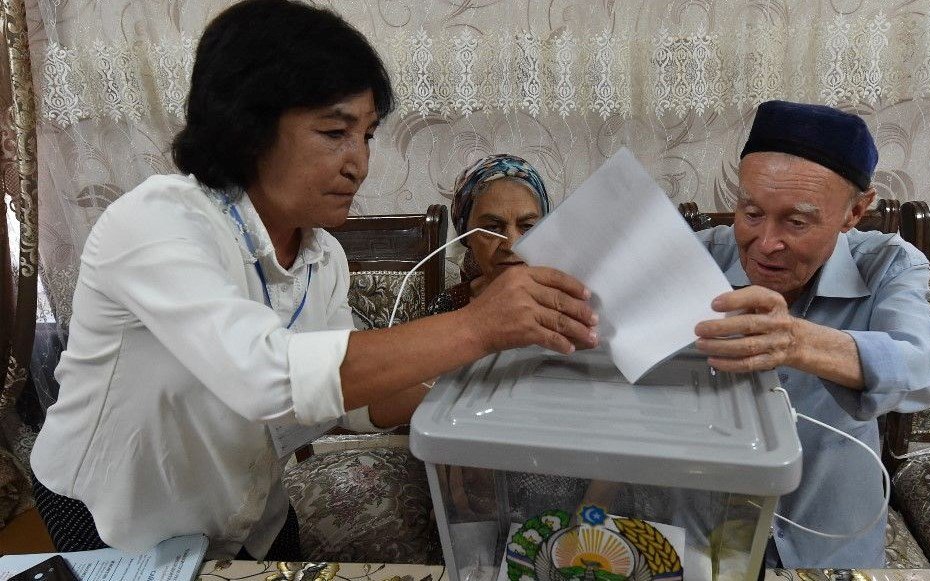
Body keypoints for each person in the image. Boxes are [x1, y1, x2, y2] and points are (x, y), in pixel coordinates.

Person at [29, 0, 598, 561]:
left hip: (247, 513)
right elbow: (269, 376)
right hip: (115, 518)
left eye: (368, 135)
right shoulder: (156, 223)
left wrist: (477, 374)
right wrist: (478, 327)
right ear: (247, 127)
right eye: (335, 132)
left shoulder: (321, 256)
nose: (359, 164)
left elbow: (342, 406)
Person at [692, 100, 930, 568]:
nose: (766, 242)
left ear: (855, 212)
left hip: (832, 540)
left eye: (796, 222)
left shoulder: (887, 264)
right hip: (706, 536)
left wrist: (798, 342)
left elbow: (928, 373)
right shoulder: (696, 260)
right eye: (751, 213)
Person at [428, 154, 551, 315]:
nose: (511, 246)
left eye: (527, 226)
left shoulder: (566, 304)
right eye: (492, 228)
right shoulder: (447, 308)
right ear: (466, 235)